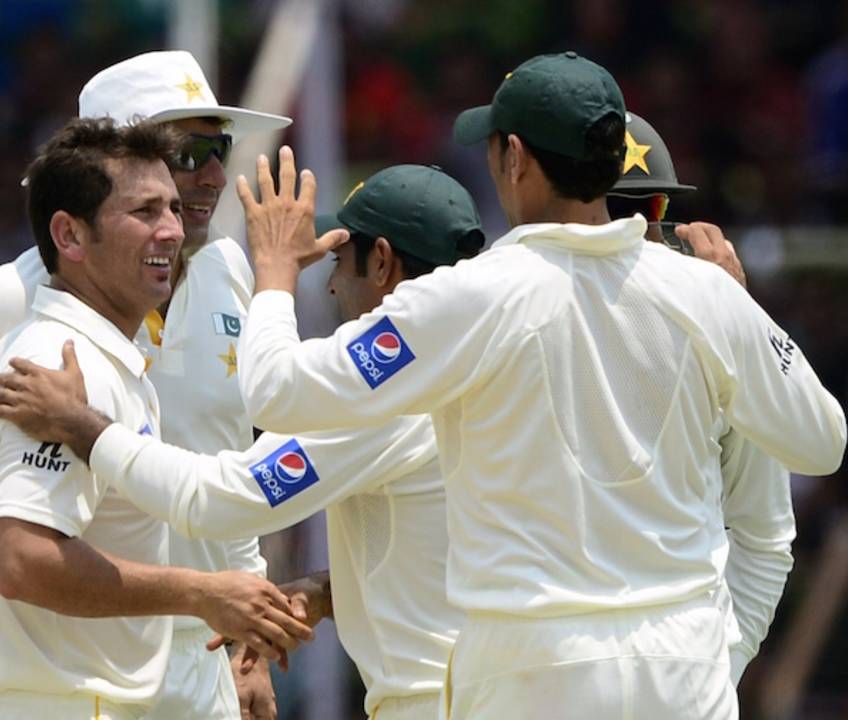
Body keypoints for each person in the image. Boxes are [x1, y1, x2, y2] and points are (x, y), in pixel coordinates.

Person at [231, 52, 845, 719]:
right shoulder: (707, 295)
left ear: (514, 156)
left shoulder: (466, 295)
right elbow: (824, 444)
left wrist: (272, 273)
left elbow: (276, 391)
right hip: (681, 670)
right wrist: (740, 316)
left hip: (530, 674)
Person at [0, 50, 292, 720]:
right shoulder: (7, 300)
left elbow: (229, 461)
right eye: (190, 151)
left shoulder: (226, 270)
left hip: (202, 651)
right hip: (64, 668)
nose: (216, 175)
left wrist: (248, 646)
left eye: (222, 148)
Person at [0, 164, 482, 720]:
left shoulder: (386, 398)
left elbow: (220, 498)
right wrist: (325, 591)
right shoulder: (484, 363)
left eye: (339, 261)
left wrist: (84, 426)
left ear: (384, 263)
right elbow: (451, 553)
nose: (333, 283)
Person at [608, 111, 795, 686]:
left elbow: (766, 534)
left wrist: (718, 668)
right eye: (610, 210)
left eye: (634, 213)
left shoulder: (716, 333)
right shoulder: (521, 314)